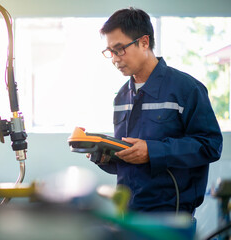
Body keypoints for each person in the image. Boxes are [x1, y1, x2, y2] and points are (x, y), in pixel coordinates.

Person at [96, 8, 223, 214]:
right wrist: (102, 154)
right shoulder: (121, 96)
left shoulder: (186, 89)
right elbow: (129, 161)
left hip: (171, 216)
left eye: (120, 49)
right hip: (128, 212)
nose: (114, 59)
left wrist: (153, 151)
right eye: (110, 51)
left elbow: (211, 145)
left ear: (144, 42)